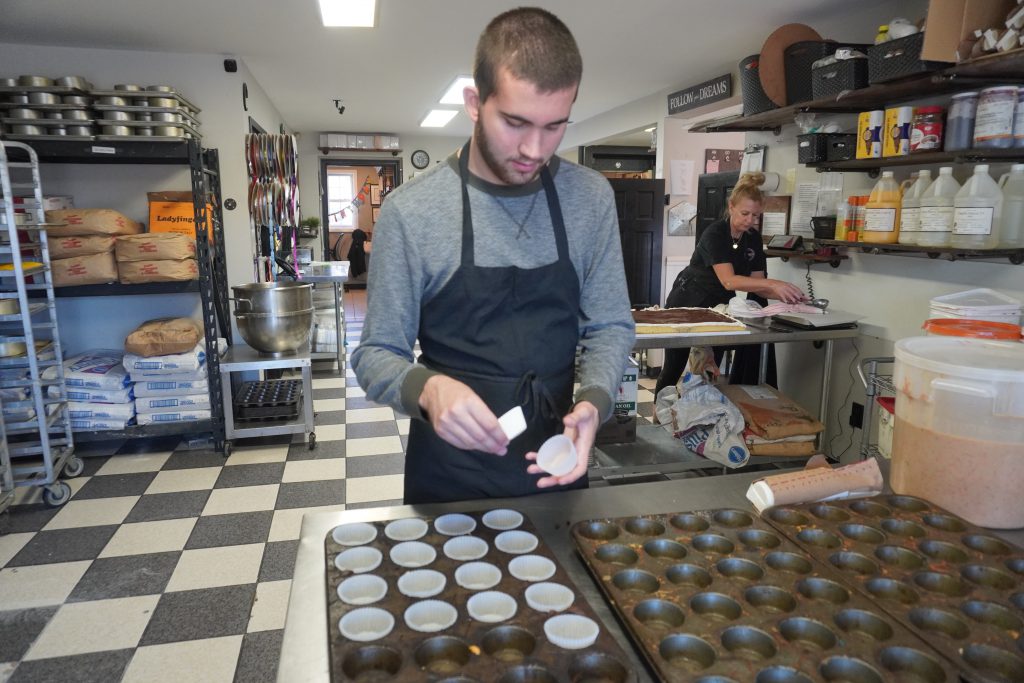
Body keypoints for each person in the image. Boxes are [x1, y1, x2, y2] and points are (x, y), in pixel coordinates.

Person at [351, 8, 635, 504]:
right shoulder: (412, 212)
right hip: (448, 476)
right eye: (515, 122)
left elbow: (609, 324)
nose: (534, 148)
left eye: (555, 127)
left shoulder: (589, 199)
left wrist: (594, 401)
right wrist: (428, 388)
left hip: (556, 466)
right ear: (474, 102)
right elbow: (376, 354)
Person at [653, 172, 805, 399]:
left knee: (710, 367)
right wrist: (774, 284)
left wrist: (785, 296)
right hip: (688, 301)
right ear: (731, 206)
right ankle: (659, 415)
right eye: (745, 213)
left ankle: (702, 414)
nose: (750, 220)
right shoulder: (715, 233)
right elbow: (729, 280)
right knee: (674, 366)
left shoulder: (752, 238)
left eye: (755, 215)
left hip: (719, 306)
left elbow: (757, 282)